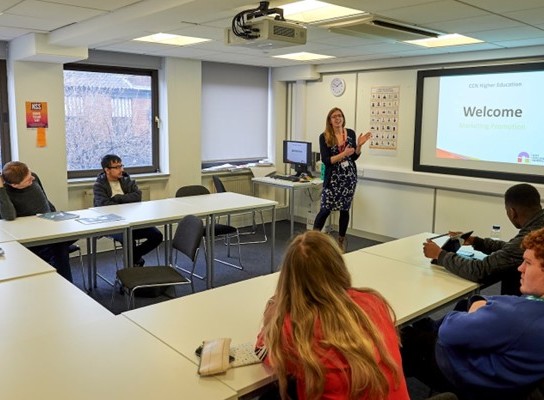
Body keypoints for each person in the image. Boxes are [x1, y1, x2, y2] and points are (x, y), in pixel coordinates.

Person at [255, 230, 409, 400]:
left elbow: (263, 351)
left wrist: (272, 314)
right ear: (339, 266)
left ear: (289, 278)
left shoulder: (293, 325)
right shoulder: (373, 301)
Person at [402, 227, 544, 400]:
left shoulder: (519, 317)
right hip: (507, 377)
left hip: (463, 375)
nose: (520, 268)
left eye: (528, 263)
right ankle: (427, 327)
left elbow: (449, 332)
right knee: (466, 303)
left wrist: (479, 307)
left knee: (401, 338)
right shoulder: (529, 310)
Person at [423, 183, 544, 295]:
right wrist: (476, 241)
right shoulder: (538, 227)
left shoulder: (529, 235)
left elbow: (480, 270)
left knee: (465, 305)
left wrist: (440, 255)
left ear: (512, 212)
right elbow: (511, 248)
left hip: (522, 306)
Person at [0, 161, 73, 282]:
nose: (32, 178)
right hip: (28, 237)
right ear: (15, 185)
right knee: (59, 248)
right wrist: (1, 190)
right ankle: (61, 284)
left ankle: (61, 284)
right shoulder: (5, 191)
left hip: (49, 228)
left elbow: (46, 201)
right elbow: (9, 215)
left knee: (65, 240)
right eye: (28, 180)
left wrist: (58, 216)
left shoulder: (34, 177)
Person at [313, 107, 371, 252]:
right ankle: (312, 240)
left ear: (343, 118)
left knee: (344, 210)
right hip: (333, 179)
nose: (338, 119)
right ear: (330, 120)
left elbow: (354, 157)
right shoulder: (324, 136)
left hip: (348, 178)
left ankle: (341, 241)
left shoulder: (350, 133)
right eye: (334, 117)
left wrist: (359, 146)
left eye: (340, 116)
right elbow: (327, 160)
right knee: (325, 209)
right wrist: (343, 153)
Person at [93, 154, 163, 266]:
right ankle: (132, 266)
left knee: (157, 235)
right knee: (128, 237)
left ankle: (132, 257)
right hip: (111, 224)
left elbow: (137, 196)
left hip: (132, 220)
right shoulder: (99, 185)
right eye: (117, 167)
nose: (121, 169)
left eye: (121, 166)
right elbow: (104, 205)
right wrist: (126, 201)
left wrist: (117, 198)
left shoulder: (127, 180)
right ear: (107, 170)